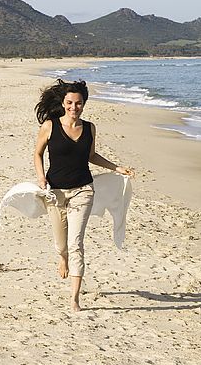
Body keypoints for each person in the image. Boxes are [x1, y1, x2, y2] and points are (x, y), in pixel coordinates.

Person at [33, 79, 134, 312]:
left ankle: (74, 298)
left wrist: (116, 168)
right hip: (55, 192)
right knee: (61, 244)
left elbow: (91, 156)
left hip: (83, 190)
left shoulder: (89, 128)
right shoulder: (49, 126)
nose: (74, 107)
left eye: (78, 103)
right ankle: (62, 257)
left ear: (84, 104)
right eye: (69, 102)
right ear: (63, 102)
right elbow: (37, 154)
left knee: (76, 243)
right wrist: (41, 178)